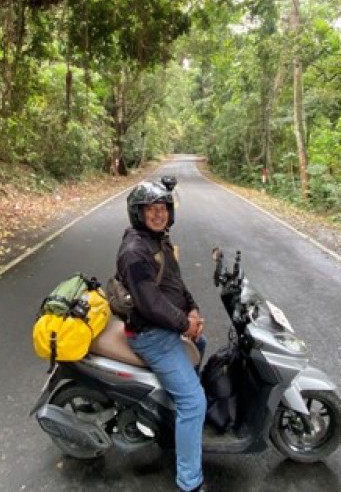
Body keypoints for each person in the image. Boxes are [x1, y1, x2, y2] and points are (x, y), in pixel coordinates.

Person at [116, 180, 207, 492]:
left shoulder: (159, 241)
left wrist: (193, 309)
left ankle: (173, 410)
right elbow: (150, 304)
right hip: (152, 334)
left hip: (167, 326)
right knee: (194, 402)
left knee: (201, 344)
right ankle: (189, 481)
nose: (158, 214)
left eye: (163, 208)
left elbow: (175, 282)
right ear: (138, 214)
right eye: (151, 209)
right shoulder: (134, 252)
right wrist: (184, 324)